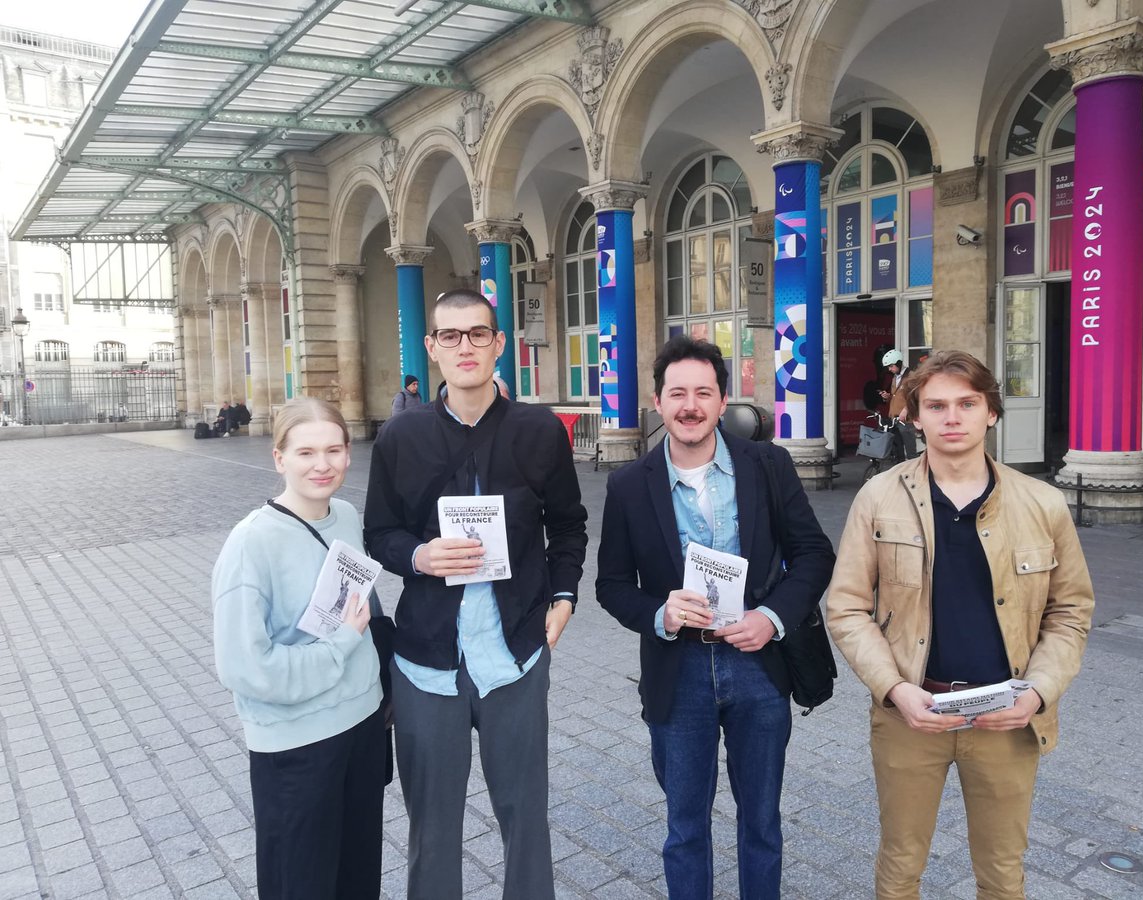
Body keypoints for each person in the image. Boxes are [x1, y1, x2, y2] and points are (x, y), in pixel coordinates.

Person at [825, 350, 1094, 899]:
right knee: (900, 867)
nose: (953, 417)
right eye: (937, 405)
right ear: (915, 417)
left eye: (967, 403)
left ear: (990, 412)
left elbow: (1070, 612)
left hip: (1007, 719)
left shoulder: (1043, 503)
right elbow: (846, 606)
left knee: (1002, 874)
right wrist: (894, 689)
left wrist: (1038, 693)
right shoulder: (879, 497)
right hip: (911, 715)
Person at [364, 288, 587, 900]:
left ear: (499, 343)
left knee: (525, 820)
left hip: (515, 651)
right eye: (451, 336)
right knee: (432, 828)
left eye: (478, 334)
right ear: (433, 348)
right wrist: (417, 555)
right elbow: (378, 532)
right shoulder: (400, 437)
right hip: (426, 660)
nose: (466, 346)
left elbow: (568, 524)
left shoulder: (539, 431)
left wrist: (564, 598)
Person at [595, 335, 835, 899]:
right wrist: (660, 612)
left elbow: (813, 554)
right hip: (678, 676)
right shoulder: (629, 485)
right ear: (657, 401)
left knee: (762, 822)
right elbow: (609, 586)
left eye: (703, 392)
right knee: (685, 828)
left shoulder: (768, 466)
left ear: (723, 402)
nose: (690, 405)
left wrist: (772, 617)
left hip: (758, 667)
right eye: (677, 393)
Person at [211, 398, 384, 900]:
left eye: (334, 449)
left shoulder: (347, 516)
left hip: (362, 725)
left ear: (350, 454)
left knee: (357, 875)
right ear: (279, 458)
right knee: (301, 883)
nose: (323, 464)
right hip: (297, 745)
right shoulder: (251, 544)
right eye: (306, 452)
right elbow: (247, 668)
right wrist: (342, 644)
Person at [882, 348, 919, 458]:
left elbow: (916, 396)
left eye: (891, 366)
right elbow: (897, 396)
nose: (889, 369)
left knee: (910, 450)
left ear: (898, 363)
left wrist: (906, 410)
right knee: (898, 451)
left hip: (906, 420)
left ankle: (913, 473)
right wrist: (887, 397)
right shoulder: (895, 377)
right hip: (894, 419)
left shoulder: (911, 376)